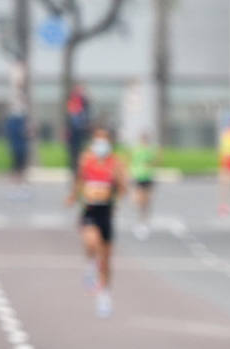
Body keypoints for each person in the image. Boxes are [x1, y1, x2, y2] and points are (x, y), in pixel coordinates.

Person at [68, 126, 127, 318]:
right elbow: (79, 180)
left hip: (106, 213)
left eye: (104, 140)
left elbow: (123, 188)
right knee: (91, 242)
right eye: (98, 140)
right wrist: (73, 196)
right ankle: (90, 265)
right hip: (90, 210)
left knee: (107, 259)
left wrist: (118, 183)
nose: (101, 144)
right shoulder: (86, 159)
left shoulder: (116, 163)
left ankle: (104, 296)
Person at [129, 130, 161, 239]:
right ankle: (139, 219)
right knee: (138, 200)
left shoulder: (150, 151)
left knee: (147, 201)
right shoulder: (136, 150)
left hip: (147, 177)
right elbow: (132, 162)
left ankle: (144, 220)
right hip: (138, 177)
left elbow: (155, 162)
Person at [65, 83, 92, 179]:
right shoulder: (71, 100)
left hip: (82, 132)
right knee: (73, 153)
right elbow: (68, 117)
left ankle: (82, 171)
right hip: (73, 133)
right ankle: (74, 171)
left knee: (82, 152)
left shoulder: (84, 102)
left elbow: (87, 116)